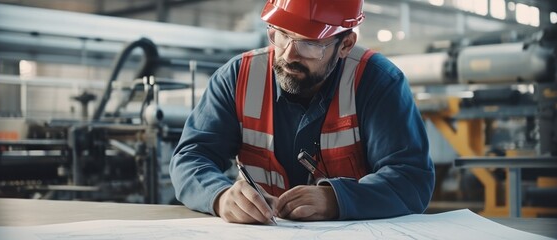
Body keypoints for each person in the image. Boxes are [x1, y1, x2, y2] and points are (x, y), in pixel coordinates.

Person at [169, 0, 434, 224]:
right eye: (281, 34)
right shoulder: (237, 78)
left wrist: (337, 199)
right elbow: (191, 157)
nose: (288, 54)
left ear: (346, 44)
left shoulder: (377, 82)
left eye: (308, 42)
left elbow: (411, 179)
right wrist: (220, 195)